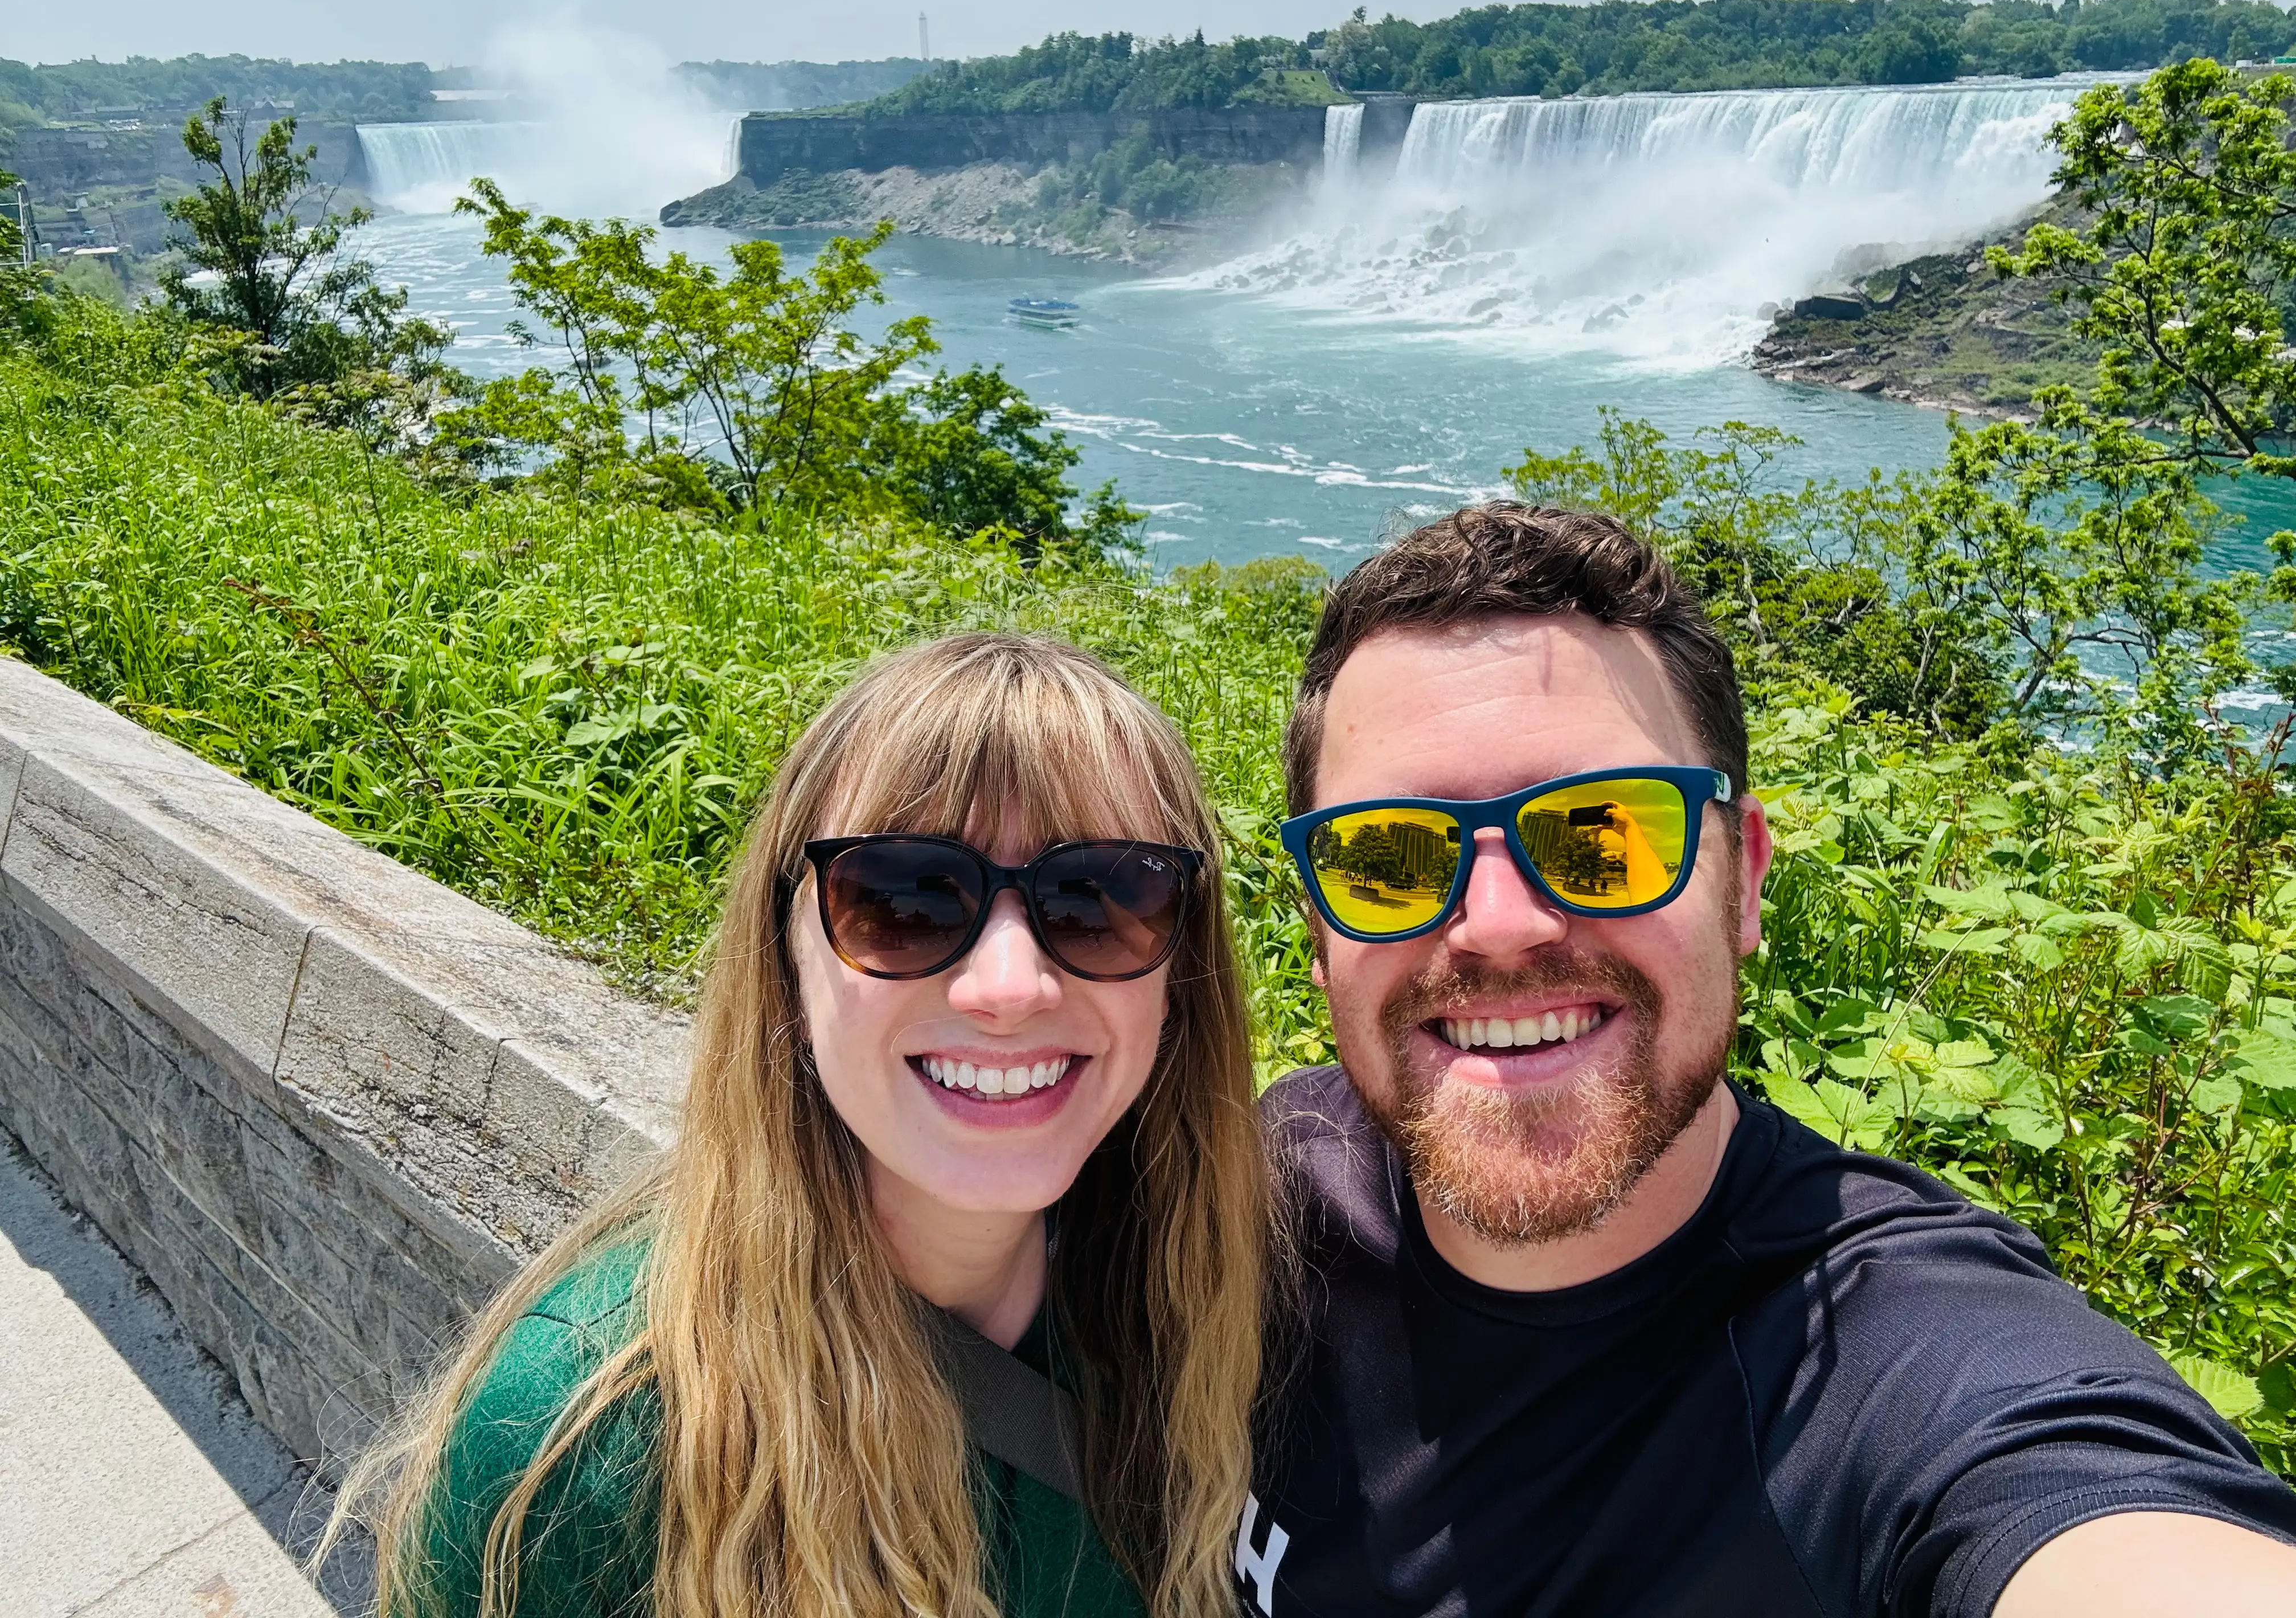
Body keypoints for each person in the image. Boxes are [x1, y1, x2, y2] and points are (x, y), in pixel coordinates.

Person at [1242, 503, 2296, 1618]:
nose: (1500, 924)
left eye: (1607, 833)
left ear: (1742, 882)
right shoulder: (1265, 1194)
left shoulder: (1888, 1362)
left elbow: (2111, 1533)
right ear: (1318, 932)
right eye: (1389, 859)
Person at [327, 632, 1268, 1618]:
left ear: (1181, 972)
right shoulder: (579, 1444)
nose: (1010, 987)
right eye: (903, 900)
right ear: (785, 957)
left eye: (1102, 897)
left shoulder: (1202, 1309)